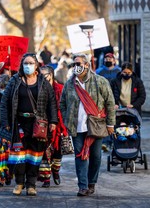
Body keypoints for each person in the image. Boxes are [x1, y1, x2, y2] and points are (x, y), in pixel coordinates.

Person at [0, 53, 58, 196]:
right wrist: (5, 122)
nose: (28, 66)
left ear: (36, 65)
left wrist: (53, 121)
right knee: (19, 155)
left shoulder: (43, 82)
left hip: (38, 124)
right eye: (26, 63)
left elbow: (52, 103)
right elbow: (4, 102)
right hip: (19, 123)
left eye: (31, 63)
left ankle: (31, 185)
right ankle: (19, 183)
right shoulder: (15, 81)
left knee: (35, 155)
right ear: (21, 65)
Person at [60, 53, 115, 196]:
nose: (76, 67)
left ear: (86, 65)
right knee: (80, 156)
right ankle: (82, 186)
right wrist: (67, 118)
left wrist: (110, 124)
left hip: (96, 125)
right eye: (74, 64)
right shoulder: (69, 84)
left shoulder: (100, 81)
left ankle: (92, 182)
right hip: (76, 127)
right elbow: (62, 103)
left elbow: (110, 103)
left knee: (96, 156)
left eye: (78, 64)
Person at [38, 65, 69, 188]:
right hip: (43, 125)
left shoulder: (60, 89)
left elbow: (66, 106)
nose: (42, 77)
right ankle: (46, 178)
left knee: (57, 152)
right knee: (44, 153)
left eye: (44, 74)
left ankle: (55, 171)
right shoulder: (38, 88)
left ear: (50, 75)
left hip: (59, 126)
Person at [96, 53, 121, 152]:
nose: (108, 59)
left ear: (114, 60)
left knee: (115, 120)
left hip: (115, 100)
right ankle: (105, 142)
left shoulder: (119, 71)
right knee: (105, 121)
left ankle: (115, 140)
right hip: (103, 100)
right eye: (106, 58)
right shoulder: (99, 71)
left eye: (110, 58)